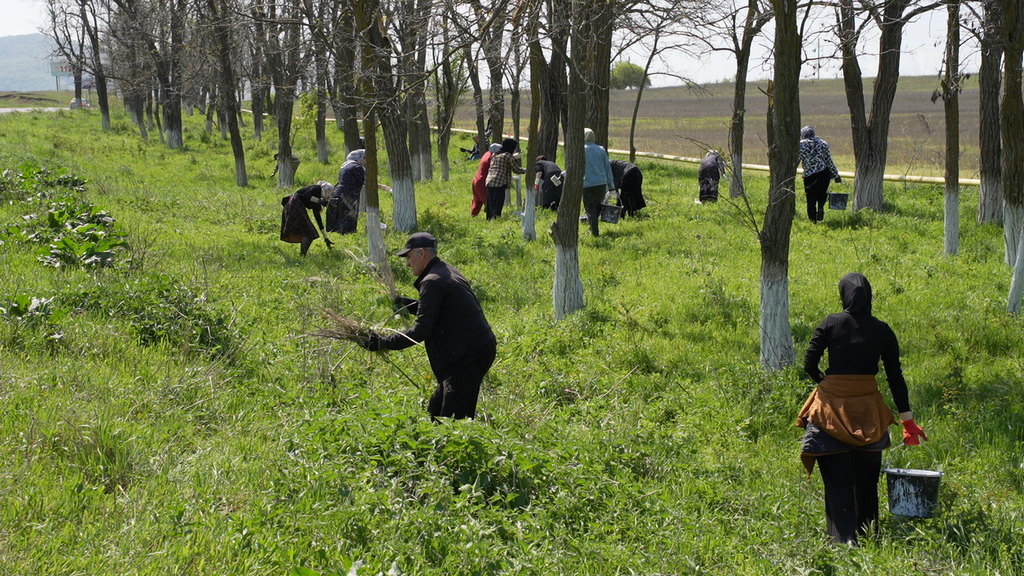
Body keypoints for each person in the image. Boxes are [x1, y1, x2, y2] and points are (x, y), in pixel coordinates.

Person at [797, 272, 928, 545]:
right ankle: (869, 538)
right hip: (869, 412)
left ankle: (843, 540)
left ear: (843, 295)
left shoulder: (831, 323)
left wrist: (825, 381)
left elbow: (809, 363)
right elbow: (895, 377)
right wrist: (908, 421)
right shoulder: (882, 330)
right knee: (867, 482)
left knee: (837, 482)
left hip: (831, 409)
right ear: (869, 296)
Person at [358, 233, 497, 420]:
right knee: (435, 413)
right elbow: (441, 310)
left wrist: (382, 342)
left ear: (421, 253)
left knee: (454, 420)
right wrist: (408, 304)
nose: (407, 263)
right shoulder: (444, 271)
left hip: (468, 355)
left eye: (408, 256)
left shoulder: (432, 281)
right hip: (469, 350)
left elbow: (421, 330)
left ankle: (460, 448)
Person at [798, 126, 842, 223]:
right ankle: (821, 208)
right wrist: (836, 175)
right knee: (822, 193)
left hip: (810, 175)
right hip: (824, 173)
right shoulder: (823, 143)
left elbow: (796, 160)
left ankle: (813, 220)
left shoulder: (801, 146)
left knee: (811, 198)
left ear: (803, 135)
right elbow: (829, 161)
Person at [280, 182, 333, 255]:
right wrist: (320, 201)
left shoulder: (316, 200)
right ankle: (302, 255)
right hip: (294, 204)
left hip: (293, 205)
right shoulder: (317, 188)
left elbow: (318, 219)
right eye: (329, 192)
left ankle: (303, 255)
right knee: (309, 233)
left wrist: (326, 238)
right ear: (325, 189)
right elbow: (306, 195)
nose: (330, 195)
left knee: (308, 233)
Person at [582, 128, 616, 236]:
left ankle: (594, 231)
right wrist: (611, 186)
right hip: (601, 183)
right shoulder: (601, 150)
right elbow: (607, 168)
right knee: (597, 207)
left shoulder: (581, 150)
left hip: (587, 183)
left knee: (590, 207)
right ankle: (593, 228)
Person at [484, 138, 525, 220]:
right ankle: (496, 220)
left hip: (489, 180)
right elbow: (516, 169)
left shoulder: (495, 154)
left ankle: (489, 219)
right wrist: (526, 171)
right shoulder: (507, 155)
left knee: (491, 203)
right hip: (499, 181)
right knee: (498, 203)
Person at [327, 149, 365, 234]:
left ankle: (340, 231)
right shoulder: (357, 167)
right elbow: (363, 181)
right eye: (364, 158)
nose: (365, 161)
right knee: (349, 213)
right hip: (350, 193)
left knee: (342, 212)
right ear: (360, 158)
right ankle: (348, 232)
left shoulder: (345, 165)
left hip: (340, 191)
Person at [471, 143, 502, 217]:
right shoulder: (491, 157)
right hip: (483, 182)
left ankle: (473, 216)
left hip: (476, 180)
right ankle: (492, 220)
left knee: (477, 201)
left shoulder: (486, 154)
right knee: (490, 203)